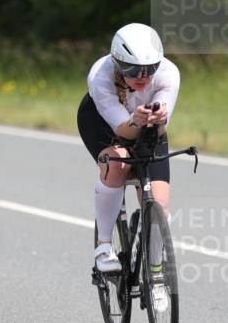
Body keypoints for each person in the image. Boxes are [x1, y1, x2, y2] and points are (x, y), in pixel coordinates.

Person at [77, 23, 180, 273]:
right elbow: (123, 130)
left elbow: (160, 126)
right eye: (134, 71)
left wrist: (155, 118)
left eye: (150, 69)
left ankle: (156, 273)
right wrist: (135, 119)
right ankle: (103, 246)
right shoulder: (100, 76)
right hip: (104, 124)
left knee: (160, 204)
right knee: (118, 164)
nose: (143, 77)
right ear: (118, 63)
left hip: (147, 126)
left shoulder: (169, 73)